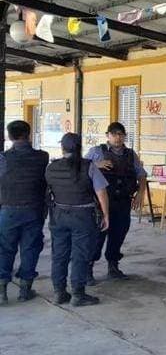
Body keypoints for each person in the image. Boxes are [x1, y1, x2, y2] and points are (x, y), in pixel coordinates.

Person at [46, 133, 110, 306]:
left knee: (59, 255)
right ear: (79, 148)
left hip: (59, 215)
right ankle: (78, 294)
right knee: (80, 255)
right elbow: (101, 192)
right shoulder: (89, 166)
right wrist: (106, 215)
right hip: (83, 217)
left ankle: (59, 292)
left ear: (62, 148)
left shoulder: (51, 168)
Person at [85, 122, 147, 283]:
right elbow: (80, 168)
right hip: (101, 203)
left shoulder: (130, 154)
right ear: (108, 135)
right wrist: (95, 164)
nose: (118, 137)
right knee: (97, 236)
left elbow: (141, 174)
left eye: (121, 134)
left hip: (123, 202)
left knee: (118, 234)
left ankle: (113, 266)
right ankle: (87, 269)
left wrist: (141, 192)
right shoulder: (97, 152)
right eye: (114, 134)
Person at [0, 121, 49, 305]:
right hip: (33, 210)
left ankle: (2, 291)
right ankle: (24, 290)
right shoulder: (42, 157)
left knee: (4, 249)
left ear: (10, 136)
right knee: (30, 249)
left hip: (8, 210)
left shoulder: (3, 158)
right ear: (29, 134)